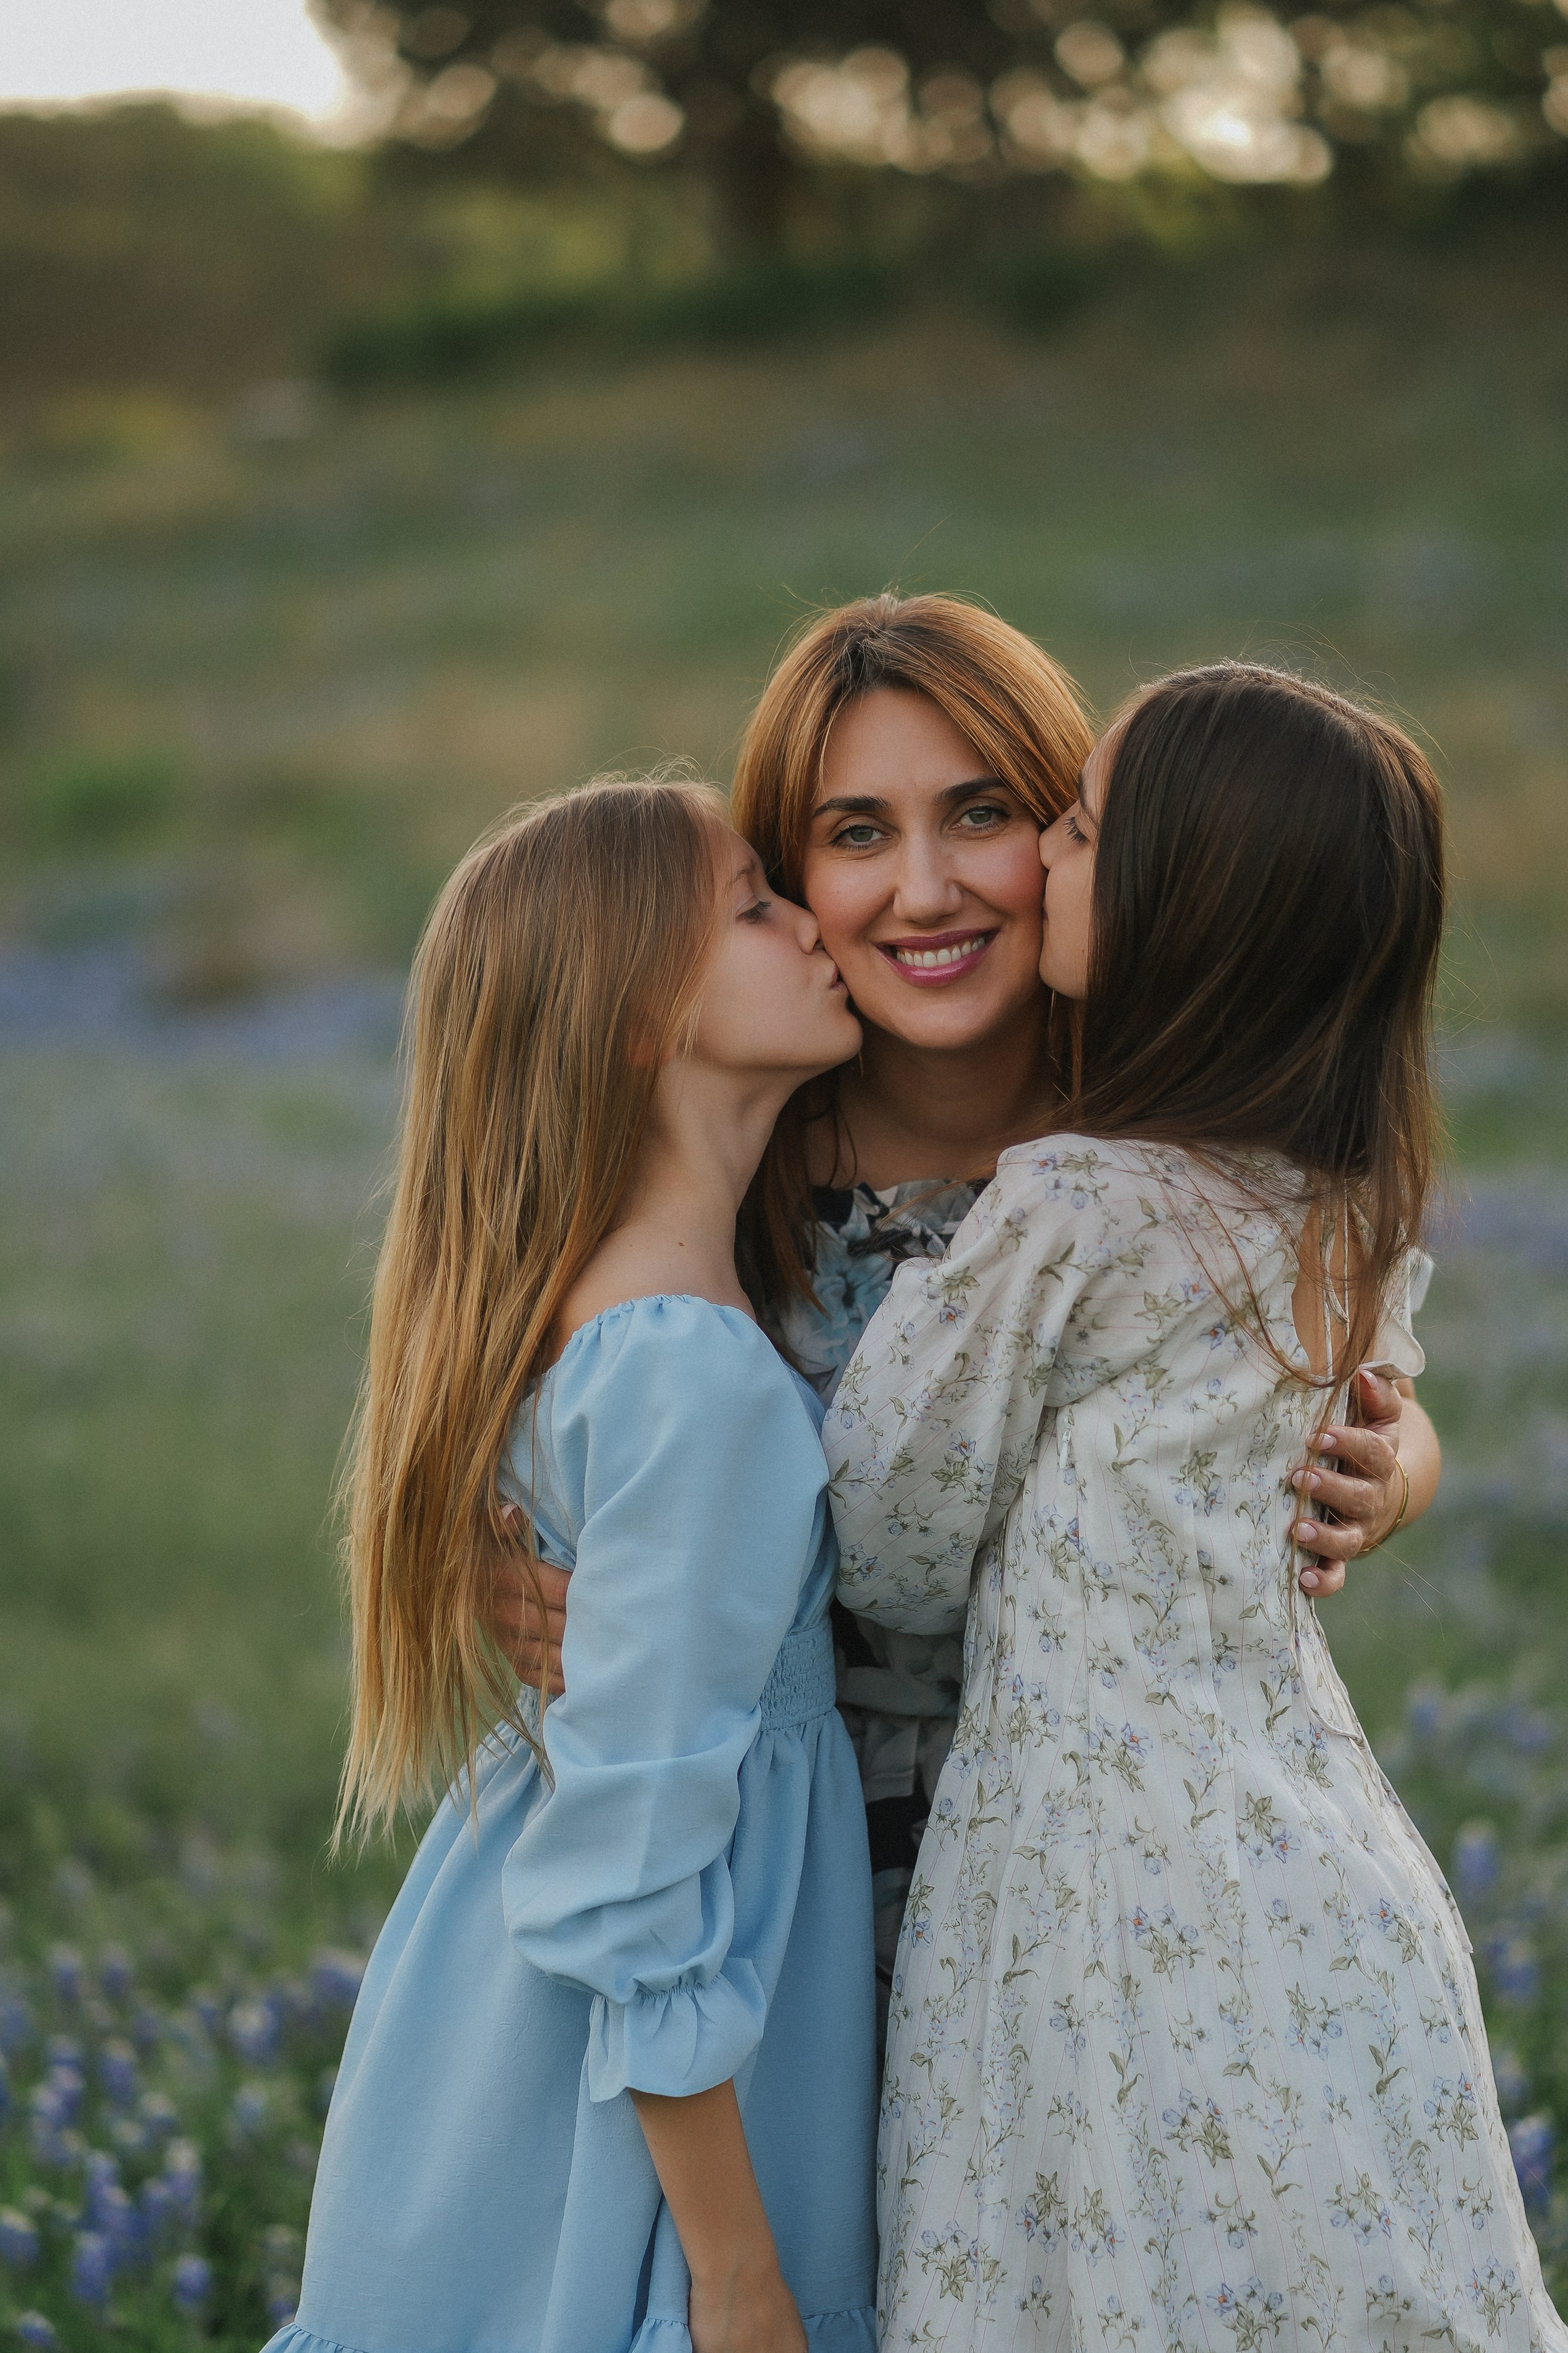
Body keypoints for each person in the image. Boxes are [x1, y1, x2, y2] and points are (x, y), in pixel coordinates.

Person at [497, 598, 1439, 2016]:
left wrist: (1393, 1472)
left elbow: (1365, 1367)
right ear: (784, 872)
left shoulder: (1180, 1144)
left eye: (982, 813)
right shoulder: (725, 1160)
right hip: (770, 1875)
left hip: (1108, 1899)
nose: (924, 890)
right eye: (856, 833)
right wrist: (489, 1569)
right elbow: (519, 1401)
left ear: (1080, 839)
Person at [824, 665, 1561, 2349]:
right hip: (1316, 1878)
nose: (1043, 866)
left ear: (1183, 914)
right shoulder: (1333, 1207)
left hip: (1085, 1900)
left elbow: (893, 1542)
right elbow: (1358, 1416)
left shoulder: (1072, 1200)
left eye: (1074, 831)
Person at [268, 779, 878, 2353]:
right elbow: (634, 1870)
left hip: (511, 2022)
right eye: (756, 905)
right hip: (650, 2107)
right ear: (630, 1020)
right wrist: (736, 2274)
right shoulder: (696, 1373)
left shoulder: (613, 1321)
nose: (814, 919)